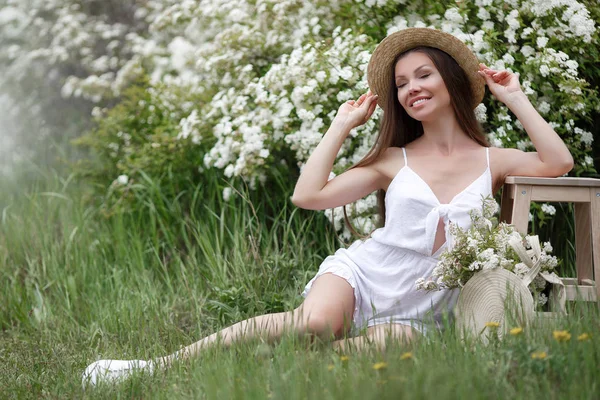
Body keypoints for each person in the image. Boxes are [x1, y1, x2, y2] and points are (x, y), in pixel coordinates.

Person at [82, 27, 574, 386]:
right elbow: (308, 195)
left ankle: (266, 374)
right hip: (369, 272)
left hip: (429, 299)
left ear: (451, 82)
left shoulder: (492, 160)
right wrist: (341, 126)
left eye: (423, 75)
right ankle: (156, 367)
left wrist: (514, 97)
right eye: (401, 83)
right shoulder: (392, 159)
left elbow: (560, 161)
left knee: (384, 347)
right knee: (314, 324)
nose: (411, 88)